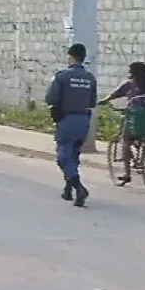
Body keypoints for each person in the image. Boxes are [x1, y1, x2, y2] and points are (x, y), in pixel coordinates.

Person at [45, 43, 98, 207]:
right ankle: (68, 190)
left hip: (67, 120)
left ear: (70, 56)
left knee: (63, 157)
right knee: (73, 154)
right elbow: (92, 102)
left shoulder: (62, 76)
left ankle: (79, 187)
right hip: (83, 120)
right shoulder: (90, 78)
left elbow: (51, 98)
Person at [98, 61, 145, 185]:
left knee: (126, 143)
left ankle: (127, 174)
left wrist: (104, 101)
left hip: (135, 119)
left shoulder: (130, 85)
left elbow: (114, 94)